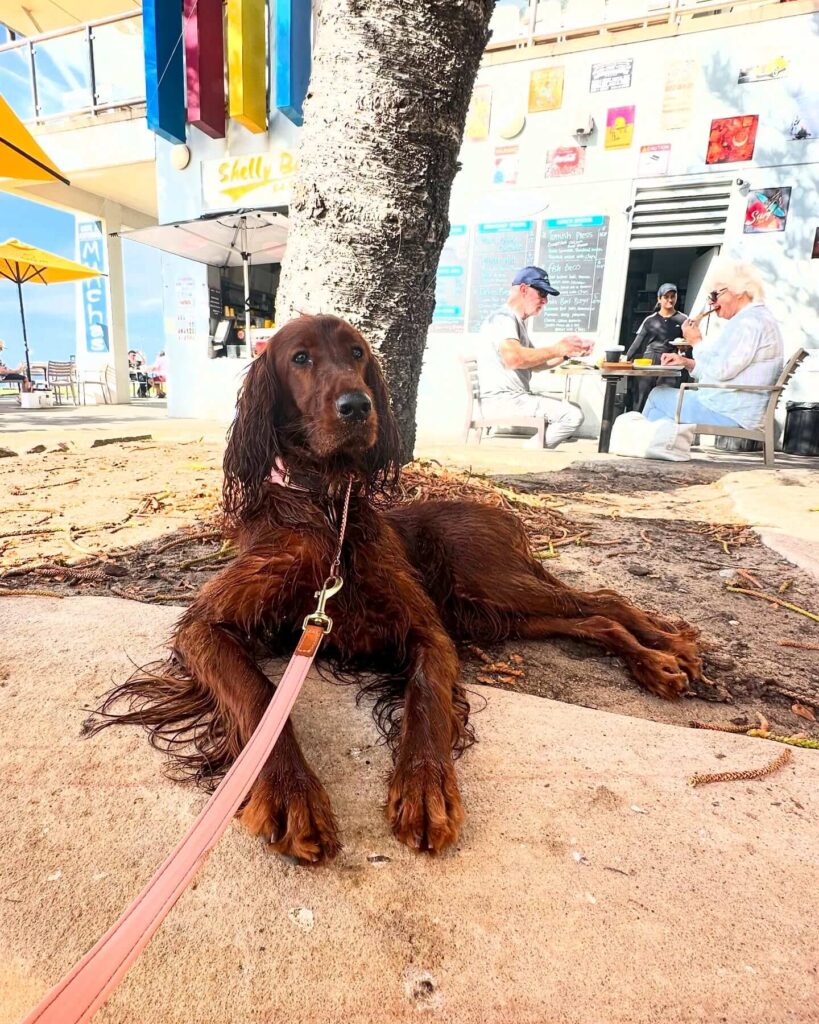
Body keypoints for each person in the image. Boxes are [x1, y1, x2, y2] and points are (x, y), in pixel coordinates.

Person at [643, 260, 783, 429]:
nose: (711, 302)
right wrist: (688, 363)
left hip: (728, 410)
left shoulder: (749, 323)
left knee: (656, 396)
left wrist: (696, 341)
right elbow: (723, 369)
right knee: (660, 412)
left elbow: (721, 371)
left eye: (715, 295)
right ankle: (658, 448)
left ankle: (648, 448)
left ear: (738, 291)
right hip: (727, 404)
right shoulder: (753, 318)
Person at [476, 266, 593, 448]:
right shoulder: (503, 319)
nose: (545, 301)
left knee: (574, 410)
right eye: (541, 294)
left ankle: (531, 450)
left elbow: (535, 364)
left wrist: (566, 353)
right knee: (572, 415)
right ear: (523, 289)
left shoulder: (515, 321)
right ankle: (529, 453)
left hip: (513, 398)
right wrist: (557, 348)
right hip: (503, 401)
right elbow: (515, 359)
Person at [625, 283, 691, 411]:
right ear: (659, 299)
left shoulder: (683, 319)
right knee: (641, 396)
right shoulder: (650, 320)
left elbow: (689, 343)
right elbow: (637, 343)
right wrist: (625, 359)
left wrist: (686, 356)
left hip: (670, 361)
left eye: (673, 296)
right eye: (666, 297)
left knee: (665, 397)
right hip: (649, 360)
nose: (670, 300)